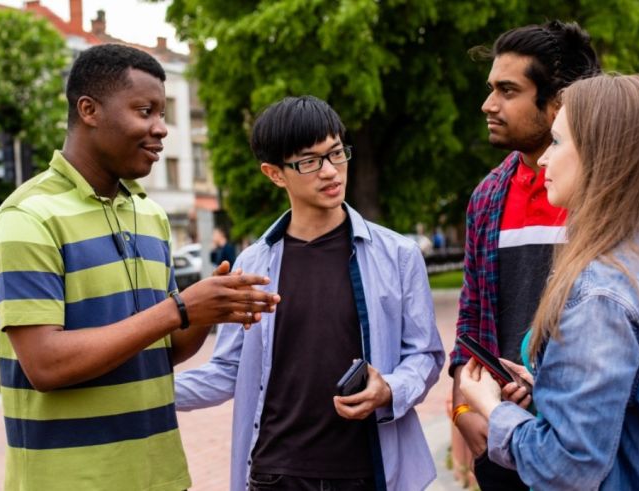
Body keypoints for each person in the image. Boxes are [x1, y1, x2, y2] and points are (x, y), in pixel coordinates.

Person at [0, 44, 280, 490]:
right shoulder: (27, 218)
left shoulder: (150, 216)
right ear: (89, 110)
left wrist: (206, 312)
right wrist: (179, 309)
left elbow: (163, 350)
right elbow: (45, 365)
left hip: (161, 475)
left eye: (162, 113)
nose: (160, 129)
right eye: (145, 111)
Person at [175, 96, 445, 491]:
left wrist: (388, 388)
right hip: (275, 473)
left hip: (369, 471)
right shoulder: (252, 266)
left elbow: (425, 354)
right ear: (274, 173)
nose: (331, 171)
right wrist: (144, 392)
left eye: (336, 153)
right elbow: (227, 371)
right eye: (309, 161)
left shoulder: (398, 255)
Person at [460, 73, 639, 490]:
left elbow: (567, 466)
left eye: (556, 142)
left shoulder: (600, 293)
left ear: (602, 155)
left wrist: (491, 409)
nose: (545, 160)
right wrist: (552, 388)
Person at [449, 20, 600, 490]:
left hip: (588, 437)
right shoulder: (488, 196)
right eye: (491, 88)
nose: (488, 105)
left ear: (559, 101)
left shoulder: (611, 196)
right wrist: (462, 408)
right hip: (503, 440)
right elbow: (471, 319)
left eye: (507, 90)